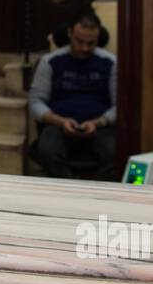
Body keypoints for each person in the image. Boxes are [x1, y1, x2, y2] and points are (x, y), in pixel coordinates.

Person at [29, 9, 118, 181]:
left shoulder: (111, 63)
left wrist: (99, 122)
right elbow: (36, 102)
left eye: (91, 43)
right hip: (59, 124)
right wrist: (60, 122)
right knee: (47, 150)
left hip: (99, 126)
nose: (84, 48)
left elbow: (119, 105)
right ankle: (69, 189)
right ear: (70, 33)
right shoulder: (50, 62)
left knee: (117, 152)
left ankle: (94, 193)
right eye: (79, 41)